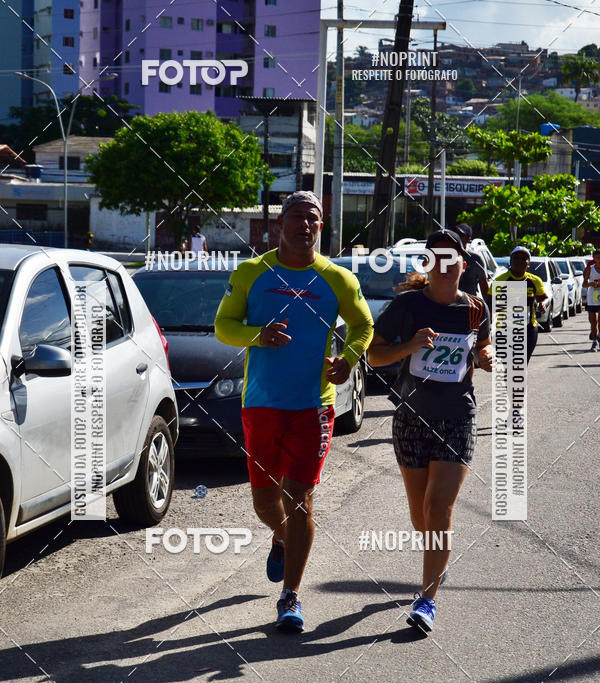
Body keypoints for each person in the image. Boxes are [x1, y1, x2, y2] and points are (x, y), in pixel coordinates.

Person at [214, 191, 374, 632]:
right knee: (265, 501)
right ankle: (280, 536)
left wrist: (349, 358)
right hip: (261, 403)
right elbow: (222, 326)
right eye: (298, 216)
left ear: (322, 227)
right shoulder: (251, 272)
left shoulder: (337, 278)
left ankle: (291, 597)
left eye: (314, 219)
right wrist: (257, 336)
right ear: (279, 224)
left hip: (313, 406)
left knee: (299, 499)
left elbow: (363, 324)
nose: (306, 224)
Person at [368, 228, 493, 634]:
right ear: (428, 264)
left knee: (439, 509)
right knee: (421, 515)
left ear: (462, 265)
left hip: (457, 415)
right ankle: (436, 560)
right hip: (411, 418)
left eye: (450, 257)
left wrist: (485, 356)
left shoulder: (475, 308)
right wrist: (410, 346)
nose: (443, 264)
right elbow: (373, 354)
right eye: (434, 257)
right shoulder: (407, 306)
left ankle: (427, 600)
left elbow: (482, 347)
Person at [488, 246, 548, 364]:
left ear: (528, 263)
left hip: (528, 329)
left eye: (524, 258)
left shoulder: (534, 281)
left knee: (521, 365)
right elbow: (489, 306)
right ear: (511, 261)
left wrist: (543, 304)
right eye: (517, 258)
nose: (520, 261)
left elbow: (545, 298)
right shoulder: (500, 281)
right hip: (505, 330)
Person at [455, 223, 489, 301]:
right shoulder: (445, 256)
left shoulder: (475, 258)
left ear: (468, 238)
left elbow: (484, 286)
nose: (457, 237)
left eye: (460, 235)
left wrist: (488, 309)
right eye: (455, 234)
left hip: (469, 306)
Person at [582, 248, 600, 350]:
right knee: (593, 321)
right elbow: (584, 285)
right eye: (598, 258)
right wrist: (592, 284)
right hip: (592, 298)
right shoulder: (590, 269)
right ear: (594, 259)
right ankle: (594, 340)